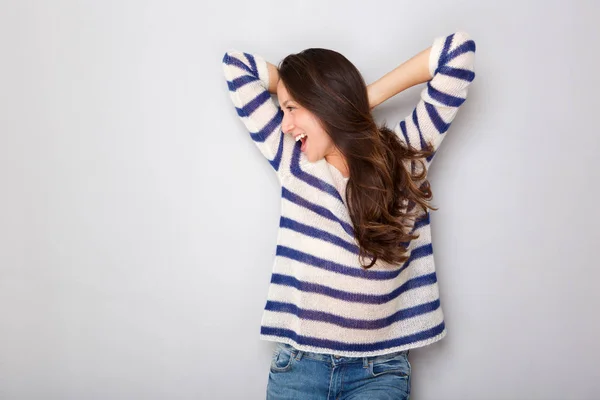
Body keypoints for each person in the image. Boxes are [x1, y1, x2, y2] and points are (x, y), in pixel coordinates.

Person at [221, 30, 476, 400]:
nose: (286, 125)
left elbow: (457, 53)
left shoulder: (405, 155)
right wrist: (311, 97)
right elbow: (236, 65)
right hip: (299, 366)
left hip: (379, 371)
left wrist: (355, 102)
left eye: (292, 109)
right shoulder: (292, 160)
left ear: (325, 102)